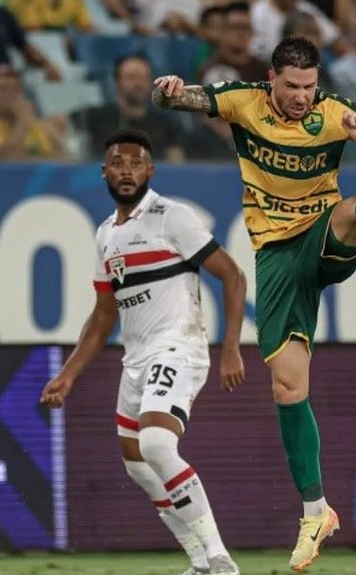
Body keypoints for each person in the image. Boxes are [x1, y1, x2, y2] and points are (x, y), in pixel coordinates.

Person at [150, 36, 356, 571]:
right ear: (271, 79)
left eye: (309, 87)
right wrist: (167, 91)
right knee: (288, 387)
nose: (301, 97)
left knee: (350, 215)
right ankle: (316, 512)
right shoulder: (242, 100)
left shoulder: (337, 112)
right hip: (275, 255)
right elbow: (182, 101)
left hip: (323, 236)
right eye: (292, 87)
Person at [39, 128, 247, 575]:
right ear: (105, 172)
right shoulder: (105, 236)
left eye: (136, 163)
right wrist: (68, 375)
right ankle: (199, 563)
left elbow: (232, 275)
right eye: (118, 163)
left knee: (155, 443)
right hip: (135, 359)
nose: (127, 170)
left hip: (178, 346)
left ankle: (220, 558)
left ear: (150, 170)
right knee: (136, 463)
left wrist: (232, 347)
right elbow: (101, 316)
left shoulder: (173, 217)